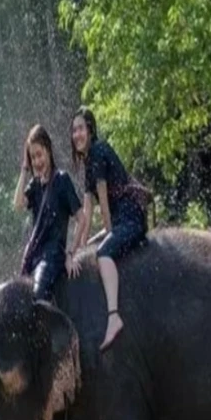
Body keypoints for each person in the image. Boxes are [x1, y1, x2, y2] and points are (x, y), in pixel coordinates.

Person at [69, 107, 149, 351]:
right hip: (119, 221)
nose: (77, 134)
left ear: (91, 130)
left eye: (81, 128)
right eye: (73, 130)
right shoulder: (88, 164)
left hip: (130, 218)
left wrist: (107, 232)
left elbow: (103, 204)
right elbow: (85, 213)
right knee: (91, 246)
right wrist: (76, 249)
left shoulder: (99, 152)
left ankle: (114, 315)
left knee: (103, 253)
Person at [14, 124, 86, 302]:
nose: (37, 162)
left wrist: (70, 254)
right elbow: (17, 204)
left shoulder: (62, 180)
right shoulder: (35, 185)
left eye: (39, 155)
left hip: (52, 257)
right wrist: (24, 168)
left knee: (37, 297)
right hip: (34, 255)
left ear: (48, 150)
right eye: (32, 157)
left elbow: (81, 218)